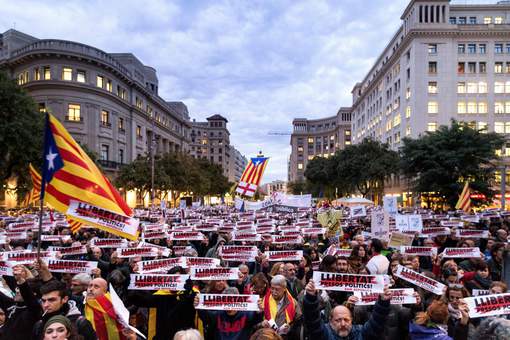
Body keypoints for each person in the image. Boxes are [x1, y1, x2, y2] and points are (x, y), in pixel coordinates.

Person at [303, 279, 392, 339]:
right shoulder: (324, 333)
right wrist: (311, 297)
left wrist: (383, 302)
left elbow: (377, 322)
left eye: (346, 320)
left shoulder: (360, 332)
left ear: (351, 320)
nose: (343, 324)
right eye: (338, 320)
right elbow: (312, 319)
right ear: (330, 321)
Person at [194, 287, 263, 340]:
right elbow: (205, 316)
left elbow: (257, 319)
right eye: (226, 302)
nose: (229, 306)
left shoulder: (247, 314)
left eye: (232, 302)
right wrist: (198, 305)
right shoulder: (217, 314)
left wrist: (259, 311)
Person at [0, 265, 42, 340]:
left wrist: (21, 280)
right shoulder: (12, 305)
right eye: (17, 288)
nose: (16, 290)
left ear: (33, 294)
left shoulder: (33, 311)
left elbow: (29, 297)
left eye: (20, 289)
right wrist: (3, 265)